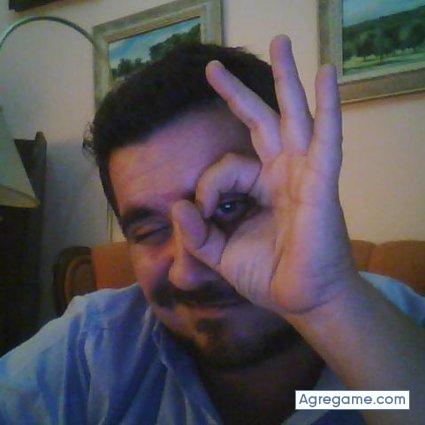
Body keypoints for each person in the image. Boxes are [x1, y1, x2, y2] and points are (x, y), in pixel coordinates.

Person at [1, 35, 424, 425]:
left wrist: (328, 302)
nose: (187, 272)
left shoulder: (402, 333)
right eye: (150, 230)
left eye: (229, 205)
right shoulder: (90, 354)